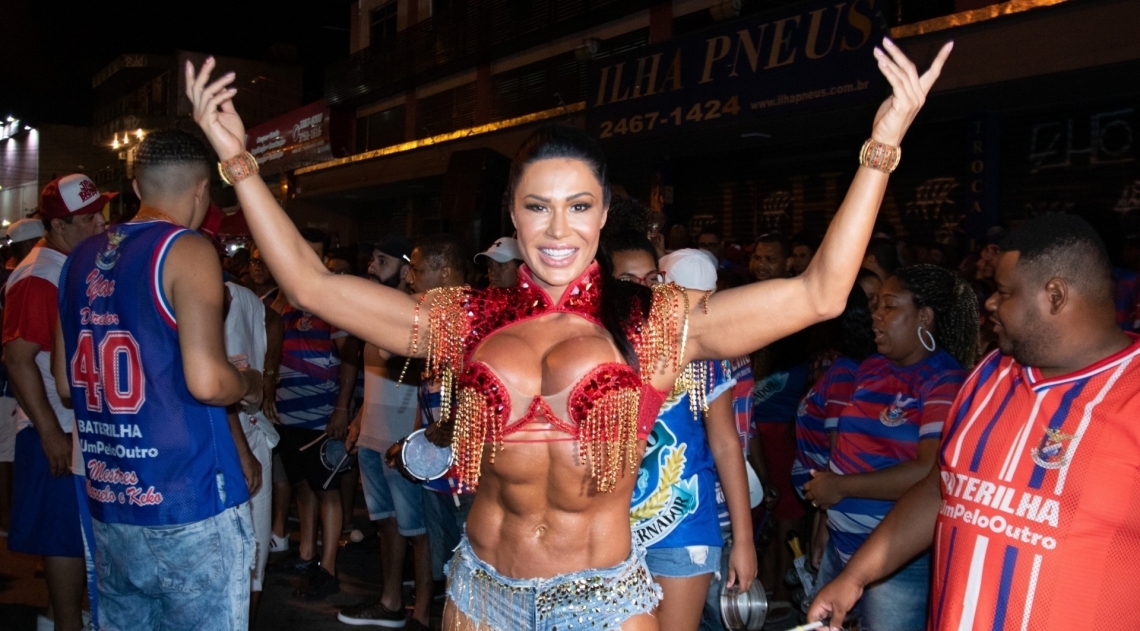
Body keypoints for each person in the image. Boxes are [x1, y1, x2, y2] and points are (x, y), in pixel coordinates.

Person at [186, 38, 951, 629]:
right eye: (538, 206)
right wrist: (240, 163)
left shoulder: (658, 321)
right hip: (482, 592)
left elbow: (820, 293)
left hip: (602, 601)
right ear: (513, 216)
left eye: (579, 206)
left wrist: (881, 148)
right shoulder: (464, 319)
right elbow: (311, 286)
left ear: (604, 214)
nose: (559, 229)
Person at [810, 213, 1140, 630]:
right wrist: (855, 577)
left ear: (1055, 296)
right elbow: (940, 488)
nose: (990, 303)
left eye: (1004, 292)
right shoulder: (989, 376)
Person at [55, 132, 263, 630]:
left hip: (111, 499)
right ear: (201, 189)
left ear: (135, 186)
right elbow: (208, 383)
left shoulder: (78, 258)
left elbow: (65, 383)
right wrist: (250, 382)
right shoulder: (186, 249)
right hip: (188, 495)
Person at [803, 264, 978, 630]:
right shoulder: (872, 367)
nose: (876, 316)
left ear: (924, 317)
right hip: (841, 541)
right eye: (876, 306)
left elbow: (930, 473)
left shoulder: (945, 382)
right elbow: (846, 449)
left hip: (894, 559)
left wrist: (841, 488)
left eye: (890, 306)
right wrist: (825, 524)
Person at [616, 245, 756, 631]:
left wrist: (743, 540)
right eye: (627, 280)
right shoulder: (590, 348)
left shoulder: (695, 345)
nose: (642, 289)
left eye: (651, 279)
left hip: (684, 527)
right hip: (607, 535)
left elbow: (726, 444)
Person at [5, 176, 109, 631]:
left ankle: (60, 617)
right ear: (59, 225)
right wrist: (49, 432)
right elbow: (17, 357)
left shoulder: (67, 264)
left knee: (73, 533)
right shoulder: (39, 276)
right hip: (57, 427)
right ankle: (67, 623)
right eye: (89, 217)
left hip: (73, 426)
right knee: (65, 536)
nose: (101, 222)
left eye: (100, 212)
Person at [339, 235, 435, 630]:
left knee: (419, 530)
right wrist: (359, 420)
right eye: (372, 259)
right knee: (386, 524)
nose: (371, 267)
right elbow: (376, 375)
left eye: (382, 261)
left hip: (404, 443)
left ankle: (422, 614)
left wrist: (414, 441)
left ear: (406, 269)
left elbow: (428, 385)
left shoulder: (420, 315)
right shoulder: (378, 311)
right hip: (373, 436)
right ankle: (391, 602)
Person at [273, 227, 361, 600]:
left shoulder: (332, 302)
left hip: (323, 416)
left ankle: (328, 568)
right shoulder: (287, 301)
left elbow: (350, 358)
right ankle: (307, 554)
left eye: (314, 252)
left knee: (327, 491)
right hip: (288, 414)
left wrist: (342, 408)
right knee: (303, 487)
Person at [402, 234, 475, 587]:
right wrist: (414, 442)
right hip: (436, 467)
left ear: (443, 272)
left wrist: (455, 424)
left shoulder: (476, 317)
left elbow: (489, 391)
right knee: (445, 568)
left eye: (417, 270)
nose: (409, 278)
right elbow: (427, 390)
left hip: (470, 475)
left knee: (470, 570)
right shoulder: (433, 318)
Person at [223, 278, 284, 627]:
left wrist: (267, 377)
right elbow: (217, 391)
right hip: (218, 443)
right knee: (225, 555)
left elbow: (273, 321)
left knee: (255, 551)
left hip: (251, 433)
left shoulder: (238, 295)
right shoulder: (177, 300)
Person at [0, 217, 44, 535]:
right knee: (5, 454)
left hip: (13, 381)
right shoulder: (20, 279)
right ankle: (6, 518)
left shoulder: (17, 276)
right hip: (7, 383)